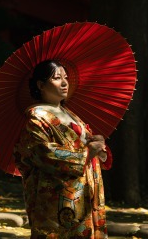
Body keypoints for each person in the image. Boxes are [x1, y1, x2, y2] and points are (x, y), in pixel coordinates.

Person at [13, 59, 111, 239]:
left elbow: (83, 142)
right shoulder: (36, 118)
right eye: (57, 78)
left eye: (65, 77)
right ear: (41, 85)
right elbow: (45, 154)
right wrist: (88, 152)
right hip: (57, 196)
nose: (65, 82)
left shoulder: (69, 114)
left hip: (84, 189)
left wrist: (96, 143)